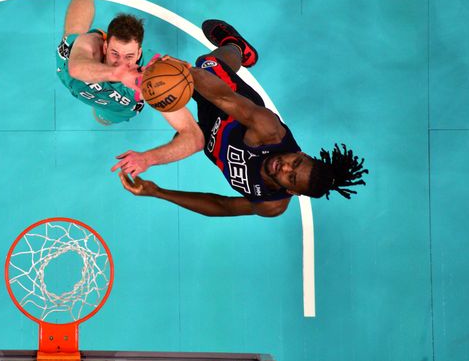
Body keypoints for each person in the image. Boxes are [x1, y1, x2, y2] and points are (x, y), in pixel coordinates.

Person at [115, 20, 369, 217]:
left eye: (291, 177)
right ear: (302, 155)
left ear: (291, 191)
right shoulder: (268, 131)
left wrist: (157, 192)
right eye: (296, 161)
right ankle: (237, 47)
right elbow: (223, 97)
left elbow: (221, 206)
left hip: (211, 137)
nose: (286, 166)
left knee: (186, 136)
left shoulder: (272, 205)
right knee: (207, 64)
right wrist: (185, 72)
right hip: (230, 108)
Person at [57, 0, 203, 164]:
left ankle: (102, 114)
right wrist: (118, 74)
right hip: (68, 75)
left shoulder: (153, 81)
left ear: (140, 52)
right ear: (105, 46)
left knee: (103, 118)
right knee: (74, 33)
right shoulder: (92, 44)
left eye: (129, 56)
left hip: (112, 107)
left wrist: (148, 159)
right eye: (114, 53)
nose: (120, 62)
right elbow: (76, 68)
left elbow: (194, 138)